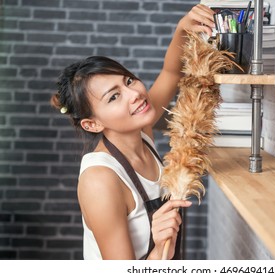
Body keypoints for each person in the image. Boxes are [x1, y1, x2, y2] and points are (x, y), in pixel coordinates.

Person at [50, 4, 215, 260]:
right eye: (114, 97)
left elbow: (171, 72)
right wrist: (160, 248)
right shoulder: (100, 180)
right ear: (92, 124)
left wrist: (183, 27)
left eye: (128, 80)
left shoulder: (141, 133)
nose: (135, 94)